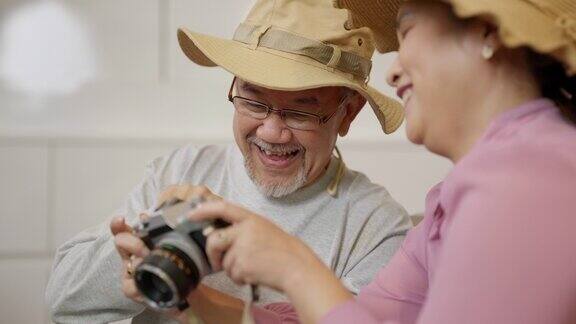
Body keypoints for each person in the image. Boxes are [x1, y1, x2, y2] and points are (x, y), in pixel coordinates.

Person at [188, 0, 576, 323]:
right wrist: (191, 298)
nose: (392, 72)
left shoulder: (530, 176)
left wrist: (293, 266)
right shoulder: (452, 199)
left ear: (487, 31)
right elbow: (360, 316)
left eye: (405, 32)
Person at [44, 0, 413, 323]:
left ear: (347, 113)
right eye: (253, 101)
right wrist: (152, 236)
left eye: (300, 112)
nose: (271, 132)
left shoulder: (375, 227)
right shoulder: (182, 170)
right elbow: (64, 300)